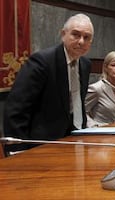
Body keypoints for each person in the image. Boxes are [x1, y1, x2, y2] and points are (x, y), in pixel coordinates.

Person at [3, 14, 94, 152]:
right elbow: (16, 110)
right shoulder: (42, 62)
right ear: (63, 34)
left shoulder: (85, 64)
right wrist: (18, 151)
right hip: (42, 144)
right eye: (76, 35)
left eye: (86, 37)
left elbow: (76, 104)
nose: (81, 41)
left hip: (74, 140)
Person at [85, 51, 115, 127]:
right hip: (101, 132)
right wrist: (93, 126)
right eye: (113, 65)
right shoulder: (97, 88)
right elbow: (82, 112)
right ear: (106, 67)